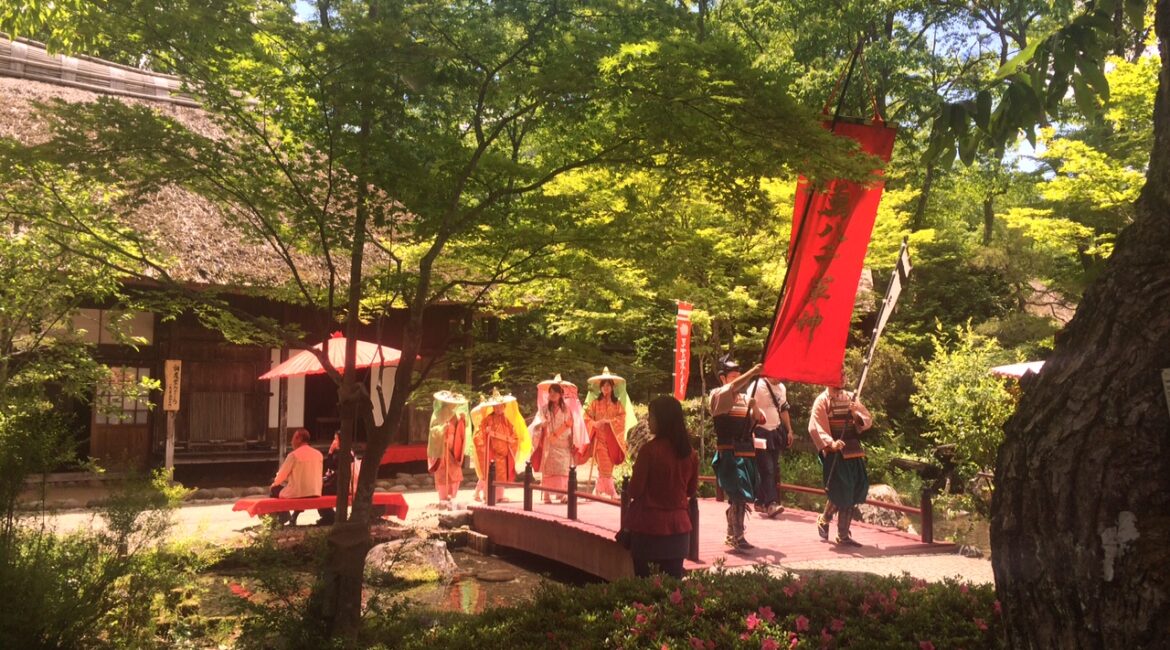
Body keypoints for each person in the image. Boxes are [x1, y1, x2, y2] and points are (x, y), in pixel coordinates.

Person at [625, 395, 699, 579]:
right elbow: (690, 490)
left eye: (651, 416)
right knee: (672, 592)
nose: (648, 421)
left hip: (648, 527)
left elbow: (635, 490)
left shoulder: (649, 451)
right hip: (679, 530)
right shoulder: (690, 453)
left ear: (663, 420)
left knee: (645, 589)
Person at [808, 384, 873, 546]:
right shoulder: (822, 401)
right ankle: (825, 520)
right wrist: (831, 443)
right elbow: (816, 427)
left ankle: (842, 534)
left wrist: (854, 413)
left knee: (855, 488)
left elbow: (866, 421)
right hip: (835, 451)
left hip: (852, 449)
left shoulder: (851, 397)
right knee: (842, 488)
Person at [708, 356, 761, 551]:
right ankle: (738, 535)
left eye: (739, 376)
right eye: (733, 376)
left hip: (745, 451)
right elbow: (729, 390)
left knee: (744, 494)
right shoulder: (717, 394)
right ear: (723, 378)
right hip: (728, 452)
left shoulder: (746, 398)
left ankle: (733, 531)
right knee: (738, 493)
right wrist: (752, 373)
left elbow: (760, 419)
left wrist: (754, 406)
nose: (739, 380)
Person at [530, 375, 588, 504]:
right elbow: (536, 424)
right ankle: (546, 494)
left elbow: (572, 427)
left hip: (564, 443)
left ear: (561, 394)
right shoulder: (544, 409)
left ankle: (562, 494)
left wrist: (573, 441)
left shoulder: (567, 410)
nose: (552, 394)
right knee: (549, 469)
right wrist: (541, 425)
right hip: (550, 443)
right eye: (550, 392)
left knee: (563, 469)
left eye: (555, 392)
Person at [583, 368, 636, 499]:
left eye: (608, 385)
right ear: (600, 388)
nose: (606, 388)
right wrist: (595, 423)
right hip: (599, 439)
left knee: (608, 466)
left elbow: (622, 418)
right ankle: (611, 491)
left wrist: (609, 421)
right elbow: (586, 417)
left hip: (612, 439)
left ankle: (598, 489)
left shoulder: (617, 404)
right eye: (604, 385)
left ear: (612, 387)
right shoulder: (594, 403)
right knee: (604, 464)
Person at [470, 390, 531, 503]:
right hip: (491, 451)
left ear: (504, 407)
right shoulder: (487, 419)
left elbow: (514, 436)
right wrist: (486, 433)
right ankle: (487, 494)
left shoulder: (506, 421)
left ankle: (499, 496)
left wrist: (510, 442)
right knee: (488, 473)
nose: (498, 409)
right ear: (493, 407)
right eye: (496, 407)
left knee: (501, 475)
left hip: (504, 453)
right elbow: (478, 435)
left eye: (500, 407)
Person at [751, 375, 794, 518]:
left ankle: (759, 501)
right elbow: (749, 406)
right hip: (759, 431)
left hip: (774, 431)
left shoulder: (782, 388)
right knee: (766, 468)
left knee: (773, 468)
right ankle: (771, 504)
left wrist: (789, 430)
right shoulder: (757, 385)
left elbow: (783, 409)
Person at [270, 428, 324, 526]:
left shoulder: (293, 455)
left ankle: (283, 517)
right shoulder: (318, 454)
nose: (291, 441)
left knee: (275, 489)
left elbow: (281, 476)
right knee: (300, 488)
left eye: (293, 438)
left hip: (297, 493)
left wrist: (274, 483)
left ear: (299, 439)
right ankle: (294, 517)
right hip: (315, 492)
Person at [428, 391, 471, 505]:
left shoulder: (456, 415)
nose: (454, 405)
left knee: (456, 471)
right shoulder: (437, 414)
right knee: (442, 472)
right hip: (442, 448)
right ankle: (443, 498)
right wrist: (442, 429)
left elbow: (461, 432)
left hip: (453, 449)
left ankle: (453, 497)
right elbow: (433, 430)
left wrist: (462, 421)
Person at [316, 432, 355, 526]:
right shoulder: (348, 451)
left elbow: (331, 465)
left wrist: (330, 451)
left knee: (319, 491)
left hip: (339, 485)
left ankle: (328, 516)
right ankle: (328, 515)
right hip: (341, 482)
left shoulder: (343, 453)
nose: (334, 441)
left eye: (335, 439)